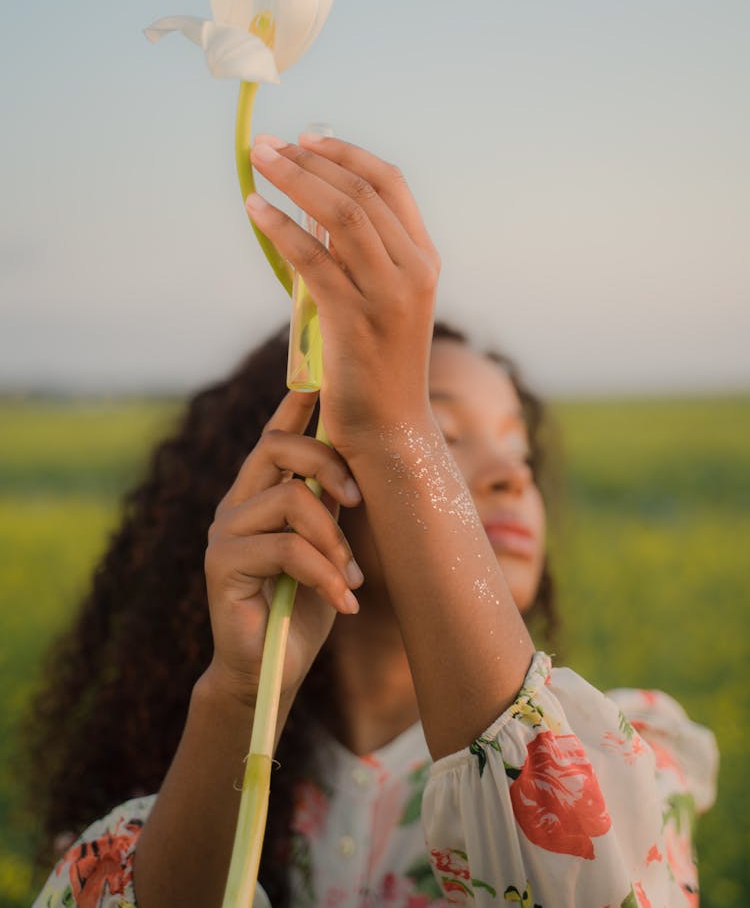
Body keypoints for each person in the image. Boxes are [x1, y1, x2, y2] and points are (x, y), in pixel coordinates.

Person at [28, 135, 717, 908]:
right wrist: (238, 693)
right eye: (441, 437)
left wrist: (396, 433)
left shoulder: (631, 751)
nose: (507, 474)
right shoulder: (182, 776)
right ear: (301, 470)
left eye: (517, 452)